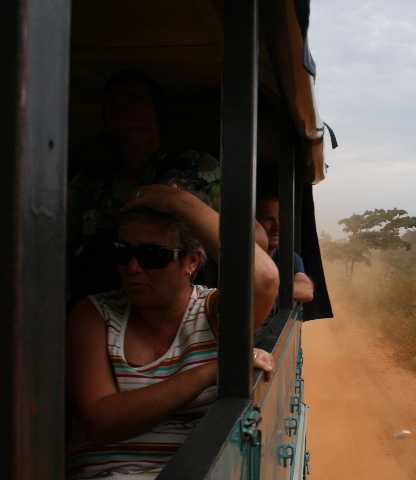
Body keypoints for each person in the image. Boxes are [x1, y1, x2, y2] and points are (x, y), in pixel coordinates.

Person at [67, 186, 278, 479]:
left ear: (192, 262)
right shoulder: (95, 314)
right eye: (123, 253)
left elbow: (264, 278)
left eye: (153, 255)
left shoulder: (211, 313)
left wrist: (178, 201)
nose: (132, 268)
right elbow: (102, 421)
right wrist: (210, 371)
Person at [68, 70, 226, 302]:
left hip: (181, 305)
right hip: (100, 302)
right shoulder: (89, 176)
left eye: (135, 99)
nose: (125, 109)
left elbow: (247, 239)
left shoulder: (199, 167)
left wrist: (176, 201)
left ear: (156, 112)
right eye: (114, 103)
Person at [256, 194, 314, 303]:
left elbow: (306, 290)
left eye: (280, 219)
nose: (277, 227)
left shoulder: (288, 257)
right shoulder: (243, 256)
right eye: (269, 219)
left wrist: (264, 293)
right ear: (255, 223)